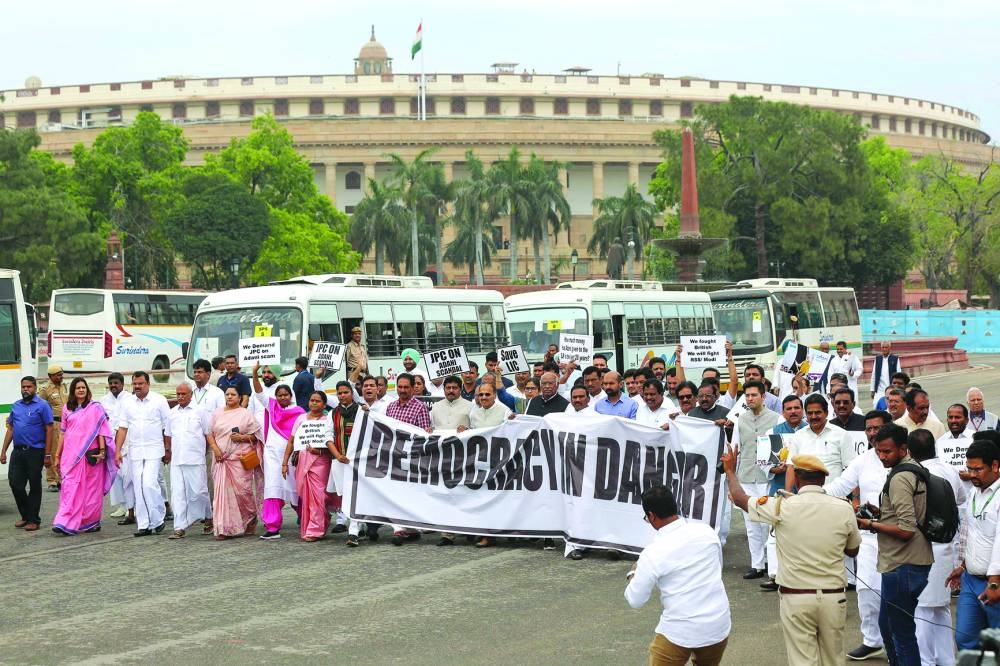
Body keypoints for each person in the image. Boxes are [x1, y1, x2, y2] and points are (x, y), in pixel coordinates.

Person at [723, 448, 861, 666]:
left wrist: (730, 470)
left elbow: (740, 499)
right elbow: (853, 551)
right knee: (834, 659)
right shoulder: (844, 508)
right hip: (834, 597)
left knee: (802, 661)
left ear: (796, 478)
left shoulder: (780, 506)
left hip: (796, 597)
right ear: (824, 479)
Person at [624, 485, 730, 666]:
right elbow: (717, 569)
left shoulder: (653, 553)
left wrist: (633, 573)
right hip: (718, 624)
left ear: (651, 516)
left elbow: (635, 599)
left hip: (679, 630)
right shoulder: (707, 531)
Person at [855, 423, 932, 666]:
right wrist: (882, 514)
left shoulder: (900, 477)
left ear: (903, 448)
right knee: (887, 625)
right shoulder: (912, 468)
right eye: (878, 451)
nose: (882, 456)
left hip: (903, 564)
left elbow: (907, 529)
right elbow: (906, 514)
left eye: (887, 451)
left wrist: (869, 525)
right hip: (908, 563)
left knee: (901, 632)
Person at [823, 409, 894, 660]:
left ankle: (898, 641)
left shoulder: (904, 458)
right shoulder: (862, 460)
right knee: (866, 590)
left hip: (899, 538)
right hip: (870, 537)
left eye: (878, 428)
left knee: (896, 593)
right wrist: (811, 494)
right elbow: (840, 486)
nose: (873, 433)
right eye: (869, 429)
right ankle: (872, 640)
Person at [907, 428, 967, 666]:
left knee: (921, 610)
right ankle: (946, 659)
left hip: (923, 547)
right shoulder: (949, 470)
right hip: (947, 547)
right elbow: (961, 499)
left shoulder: (915, 474)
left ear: (909, 451)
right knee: (941, 607)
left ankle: (925, 661)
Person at [947, 438, 1000, 651]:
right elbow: (968, 531)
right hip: (970, 580)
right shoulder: (974, 491)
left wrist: (995, 581)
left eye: (978, 470)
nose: (972, 475)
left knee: (996, 644)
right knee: (965, 640)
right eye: (969, 469)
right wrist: (961, 565)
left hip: (993, 582)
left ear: (995, 465)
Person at [51, 377, 116, 536]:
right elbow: (63, 433)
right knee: (69, 487)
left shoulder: (95, 408)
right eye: (78, 388)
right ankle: (64, 521)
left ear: (87, 390)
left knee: (91, 490)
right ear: (73, 390)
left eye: (83, 388)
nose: (81, 390)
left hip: (90, 455)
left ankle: (90, 521)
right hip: (70, 456)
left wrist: (101, 451)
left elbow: (102, 430)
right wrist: (58, 455)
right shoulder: (67, 408)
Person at [733, 380, 781, 581]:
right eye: (747, 395)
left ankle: (771, 562)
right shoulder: (740, 420)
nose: (750, 398)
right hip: (745, 475)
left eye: (754, 395)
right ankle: (757, 564)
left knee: (767, 522)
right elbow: (735, 449)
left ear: (763, 396)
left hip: (766, 477)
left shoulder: (776, 419)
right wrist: (733, 479)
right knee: (751, 523)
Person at [114, 371, 172, 537]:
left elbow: (167, 427)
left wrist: (168, 449)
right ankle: (144, 524)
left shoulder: (159, 400)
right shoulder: (128, 403)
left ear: (148, 384)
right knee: (138, 487)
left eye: (141, 383)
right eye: (135, 384)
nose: (138, 387)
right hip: (135, 450)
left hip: (154, 449)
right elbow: (123, 428)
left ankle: (158, 518)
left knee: (148, 483)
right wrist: (117, 451)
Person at [251, 364, 304, 540]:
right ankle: (272, 527)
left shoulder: (300, 413)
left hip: (292, 457)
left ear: (291, 396)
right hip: (273, 456)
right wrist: (254, 373)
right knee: (273, 489)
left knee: (298, 489)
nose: (282, 398)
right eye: (279, 395)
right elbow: (259, 392)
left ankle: (308, 521)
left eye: (285, 395)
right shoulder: (271, 407)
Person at [208, 386, 263, 540]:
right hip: (221, 459)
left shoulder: (246, 415)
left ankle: (250, 516)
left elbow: (256, 437)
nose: (230, 397)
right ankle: (224, 528)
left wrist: (243, 438)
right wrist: (215, 449)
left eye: (233, 394)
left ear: (240, 398)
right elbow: (209, 433)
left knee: (243, 492)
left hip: (239, 459)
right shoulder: (217, 413)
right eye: (227, 394)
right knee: (222, 494)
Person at [282, 391, 336, 542]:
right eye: (312, 400)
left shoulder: (327, 420)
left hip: (321, 462)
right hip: (303, 462)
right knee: (307, 497)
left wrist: (317, 450)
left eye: (317, 401)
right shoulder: (301, 419)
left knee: (319, 496)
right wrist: (284, 463)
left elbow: (331, 443)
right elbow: (292, 442)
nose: (313, 403)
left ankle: (315, 530)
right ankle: (312, 526)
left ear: (324, 404)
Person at [1, 376, 54, 531]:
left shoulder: (43, 406)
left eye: (29, 387)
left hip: (35, 451)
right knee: (15, 484)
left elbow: (49, 429)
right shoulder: (16, 406)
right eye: (23, 387)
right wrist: (3, 450)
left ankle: (34, 519)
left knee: (35, 485)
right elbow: (10, 429)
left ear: (35, 388)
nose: (26, 389)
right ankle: (25, 515)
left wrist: (48, 454)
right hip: (17, 452)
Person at [385, 373, 432, 545]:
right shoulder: (390, 407)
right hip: (394, 456)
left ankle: (411, 529)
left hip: (412, 458)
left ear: (413, 388)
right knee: (395, 492)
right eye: (400, 387)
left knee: (410, 493)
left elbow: (424, 436)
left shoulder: (420, 408)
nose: (402, 390)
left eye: (406, 387)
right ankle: (399, 529)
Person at [166, 382, 213, 539]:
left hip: (195, 458)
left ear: (190, 395)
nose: (179, 397)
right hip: (177, 459)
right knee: (178, 493)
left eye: (183, 394)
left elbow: (208, 434)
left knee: (199, 491)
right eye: (178, 394)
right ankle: (179, 527)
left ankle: (208, 518)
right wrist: (167, 452)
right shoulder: (172, 413)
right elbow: (168, 434)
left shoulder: (200, 411)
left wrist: (204, 452)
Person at [785, 395, 857, 487]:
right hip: (806, 496)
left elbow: (851, 469)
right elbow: (791, 467)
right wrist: (787, 495)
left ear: (826, 413)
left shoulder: (841, 435)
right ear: (805, 414)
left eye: (818, 412)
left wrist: (855, 499)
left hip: (834, 495)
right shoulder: (798, 436)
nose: (813, 416)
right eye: (810, 413)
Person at [328, 382, 362, 545]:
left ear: (352, 393)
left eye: (345, 392)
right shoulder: (333, 413)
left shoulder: (363, 411)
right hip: (340, 460)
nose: (342, 395)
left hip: (359, 461)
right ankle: (357, 527)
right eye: (339, 393)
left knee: (356, 494)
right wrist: (338, 455)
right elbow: (328, 437)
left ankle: (353, 531)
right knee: (346, 496)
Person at [101, 372, 130, 519]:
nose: (113, 385)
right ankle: (122, 505)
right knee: (115, 475)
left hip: (127, 442)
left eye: (116, 383)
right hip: (110, 442)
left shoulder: (130, 399)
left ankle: (132, 506)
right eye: (111, 383)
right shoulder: (103, 400)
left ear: (122, 384)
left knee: (127, 475)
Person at [38, 365, 68, 492]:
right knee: (53, 451)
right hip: (54, 424)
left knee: (65, 452)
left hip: (67, 423)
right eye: (58, 375)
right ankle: (52, 481)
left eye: (61, 374)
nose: (61, 377)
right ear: (51, 376)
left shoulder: (64, 386)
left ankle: (62, 479)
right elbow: (40, 408)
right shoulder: (45, 390)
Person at [938, 403, 974, 474]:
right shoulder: (940, 441)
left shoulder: (975, 438)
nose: (953, 421)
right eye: (950, 417)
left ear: (967, 420)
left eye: (957, 417)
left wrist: (971, 474)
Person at [871, 342, 902, 409]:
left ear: (889, 348)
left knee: (889, 407)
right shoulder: (877, 359)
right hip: (879, 389)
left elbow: (899, 375)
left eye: (886, 347)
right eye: (883, 347)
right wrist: (872, 390)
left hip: (891, 389)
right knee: (876, 405)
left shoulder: (895, 359)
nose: (884, 349)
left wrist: (898, 389)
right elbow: (874, 374)